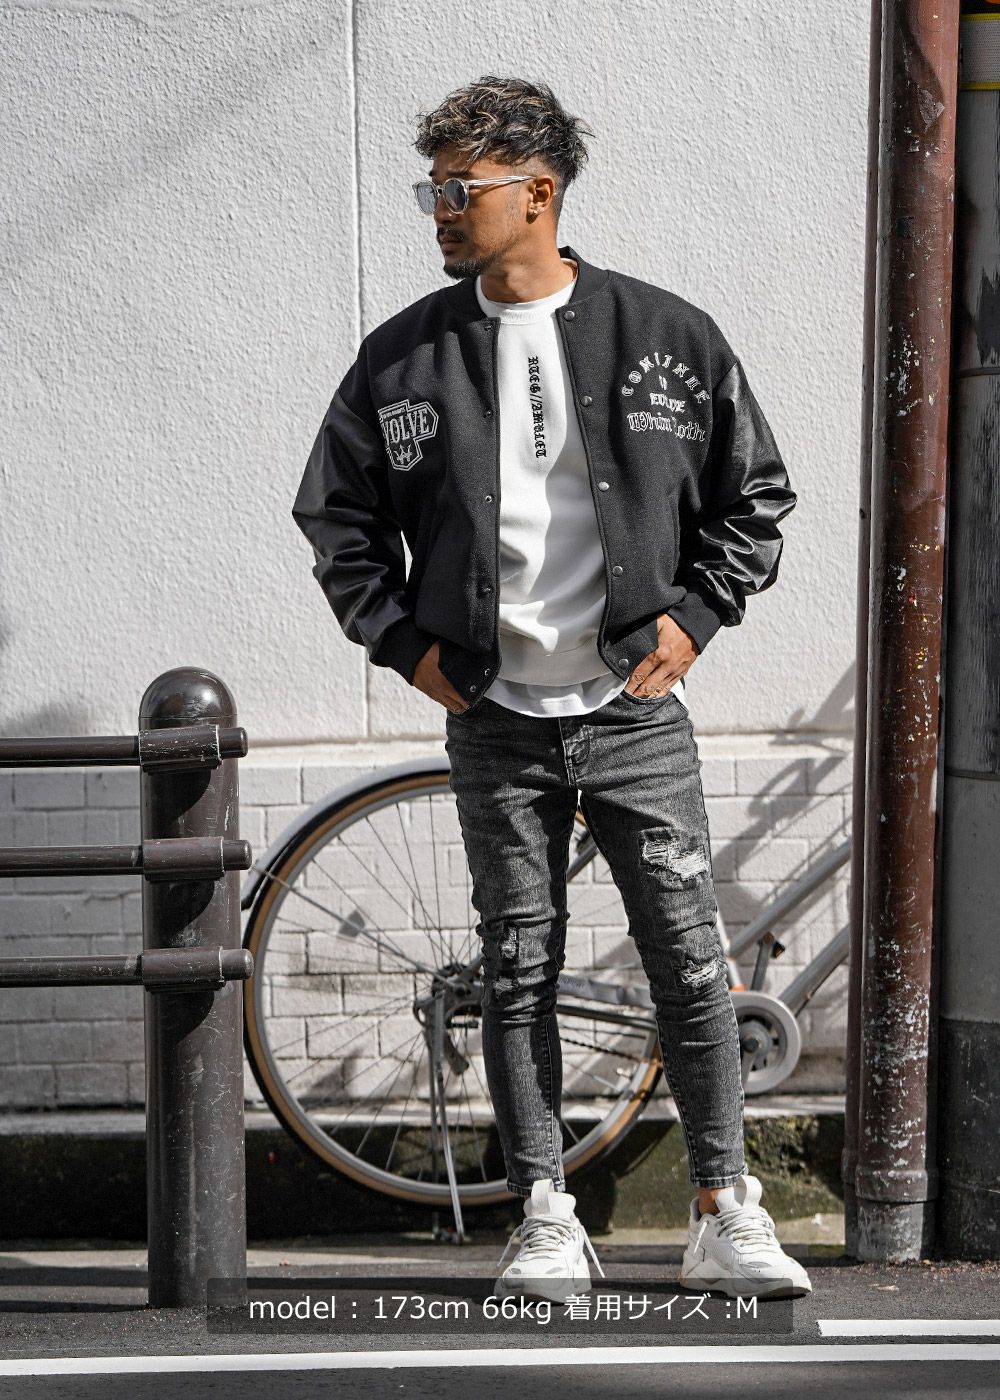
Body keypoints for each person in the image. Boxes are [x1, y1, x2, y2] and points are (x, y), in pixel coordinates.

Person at [292, 74, 811, 1304]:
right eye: (432, 189)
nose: (439, 209)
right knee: (515, 967)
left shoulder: (662, 334)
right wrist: (405, 647)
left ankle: (722, 1207)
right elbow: (336, 517)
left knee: (688, 960)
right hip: (495, 714)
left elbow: (754, 494)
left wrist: (695, 617)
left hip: (633, 708)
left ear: (539, 189)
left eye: (459, 188)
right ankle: (542, 1214)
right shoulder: (404, 355)